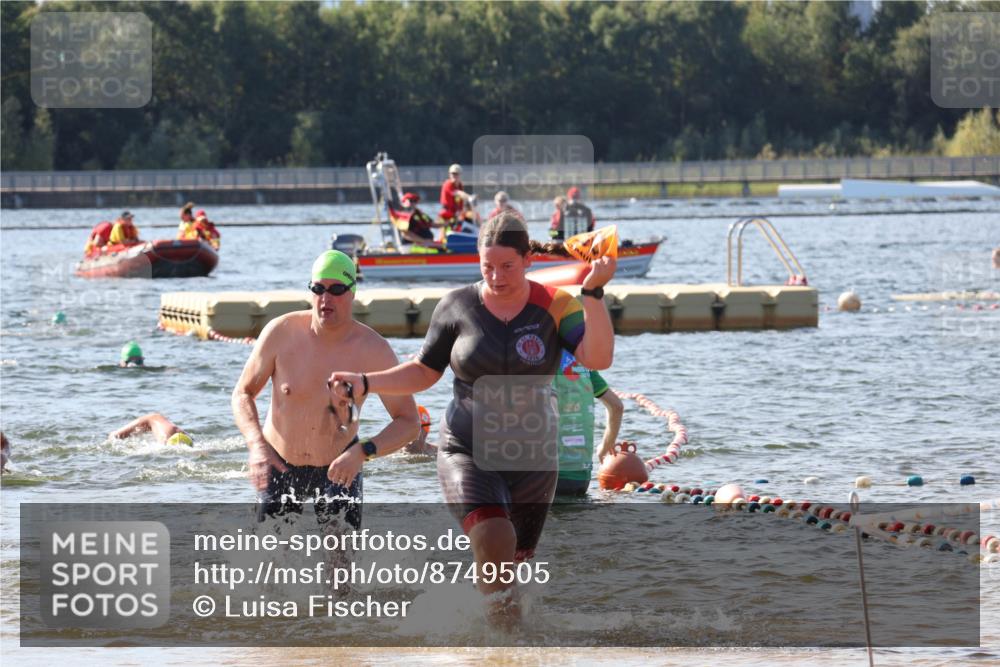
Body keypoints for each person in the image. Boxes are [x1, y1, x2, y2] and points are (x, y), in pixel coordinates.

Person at [328, 211, 616, 622]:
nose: (496, 277)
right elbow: (425, 371)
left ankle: (493, 641)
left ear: (528, 260)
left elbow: (597, 356)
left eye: (507, 267)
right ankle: (497, 644)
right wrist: (366, 382)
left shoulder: (555, 305)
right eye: (487, 267)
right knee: (494, 535)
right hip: (468, 449)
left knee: (510, 570)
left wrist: (594, 294)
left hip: (533, 460)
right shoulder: (456, 306)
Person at [232, 250, 419, 528]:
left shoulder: (373, 350)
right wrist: (257, 446)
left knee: (341, 566)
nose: (325, 298)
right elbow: (242, 394)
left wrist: (363, 452)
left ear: (353, 292)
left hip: (341, 466)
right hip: (279, 462)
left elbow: (408, 422)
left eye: (336, 289)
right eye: (318, 289)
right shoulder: (280, 333)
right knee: (270, 562)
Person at [553, 351, 623, 496]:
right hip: (582, 477)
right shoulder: (584, 364)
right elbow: (616, 406)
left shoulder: (540, 361)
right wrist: (605, 446)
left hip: (549, 477)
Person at [109, 413, 193, 446]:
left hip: (168, 437)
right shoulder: (162, 423)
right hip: (188, 438)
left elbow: (115, 436)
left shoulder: (152, 417)